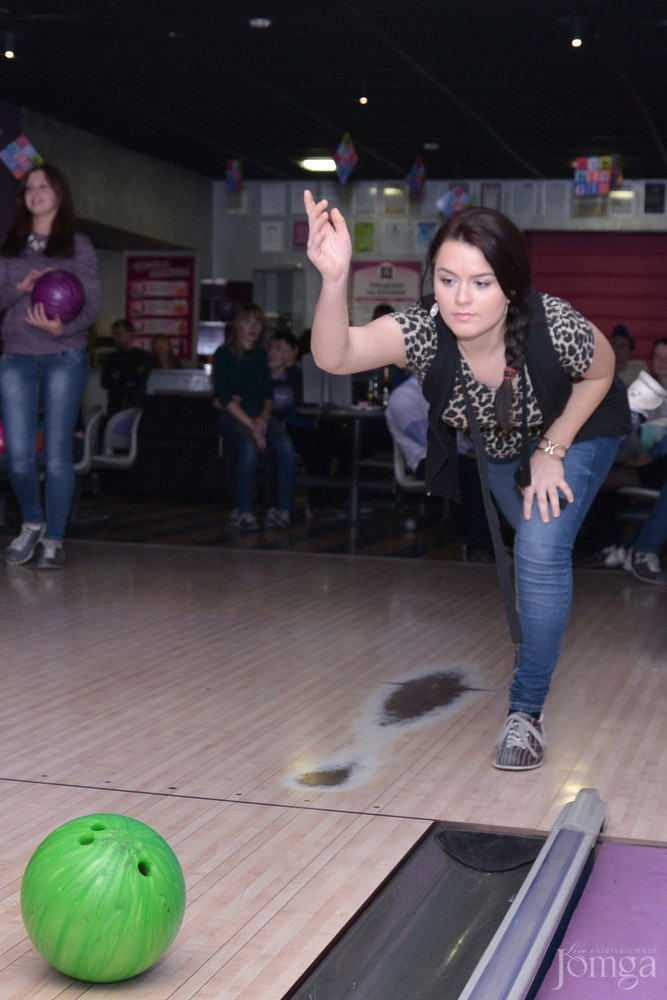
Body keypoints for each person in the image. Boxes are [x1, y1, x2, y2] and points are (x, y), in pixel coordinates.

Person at [304, 190, 630, 771]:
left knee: (538, 548)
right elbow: (338, 354)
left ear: (510, 284)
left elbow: (602, 372)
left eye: (481, 282)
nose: (461, 298)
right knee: (533, 544)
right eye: (449, 279)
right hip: (502, 445)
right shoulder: (428, 332)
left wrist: (553, 449)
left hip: (577, 427)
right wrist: (333, 280)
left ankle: (525, 714)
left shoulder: (555, 324)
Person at [0, 163, 101, 569]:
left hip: (65, 355)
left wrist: (63, 327)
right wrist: (17, 289)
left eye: (43, 187)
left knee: (58, 454)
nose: (35, 193)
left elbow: (92, 306)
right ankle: (32, 522)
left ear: (59, 194)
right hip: (17, 356)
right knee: (19, 457)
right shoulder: (11, 247)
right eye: (29, 187)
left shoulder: (79, 246)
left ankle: (54, 540)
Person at [385, 374, 496, 560]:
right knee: (476, 474)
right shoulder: (403, 396)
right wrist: (471, 451)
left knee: (499, 470)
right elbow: (430, 439)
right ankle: (480, 549)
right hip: (427, 462)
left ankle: (502, 543)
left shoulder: (447, 392)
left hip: (457, 457)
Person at [213, 304, 295, 530]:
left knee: (286, 446)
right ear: (238, 324)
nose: (253, 327)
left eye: (258, 323)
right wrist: (253, 426)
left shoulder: (260, 355)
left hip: (259, 415)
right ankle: (244, 510)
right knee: (248, 446)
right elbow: (224, 397)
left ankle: (284, 509)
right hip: (234, 416)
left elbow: (267, 394)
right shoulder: (223, 354)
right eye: (248, 321)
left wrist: (264, 419)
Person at [99, 319, 154, 414]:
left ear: (130, 333)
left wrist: (119, 376)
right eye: (113, 334)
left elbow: (141, 378)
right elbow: (105, 382)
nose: (115, 337)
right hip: (115, 405)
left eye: (119, 333)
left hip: (136, 405)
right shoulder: (110, 358)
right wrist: (130, 375)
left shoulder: (143, 356)